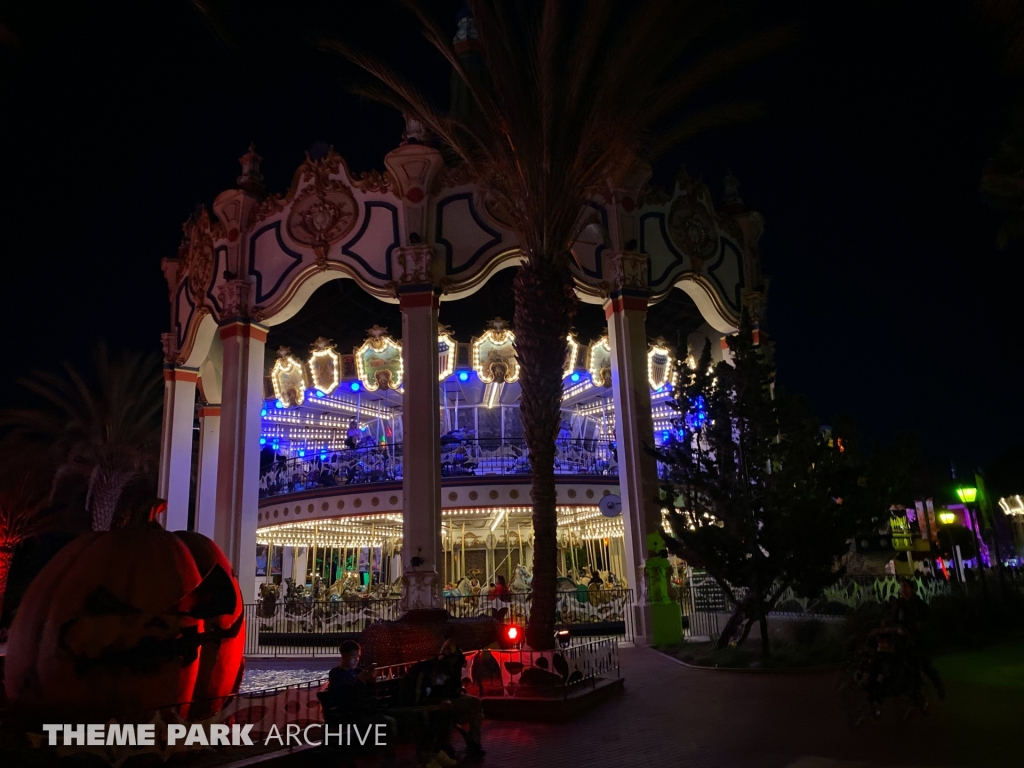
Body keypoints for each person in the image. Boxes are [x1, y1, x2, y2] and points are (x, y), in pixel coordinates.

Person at [321, 641, 397, 765]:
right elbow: (343, 695)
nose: (356, 660)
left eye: (358, 656)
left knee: (388, 721)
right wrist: (359, 681)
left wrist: (371, 682)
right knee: (377, 723)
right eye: (352, 656)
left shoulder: (358, 671)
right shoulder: (336, 673)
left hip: (362, 709)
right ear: (343, 656)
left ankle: (385, 759)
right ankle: (370, 758)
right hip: (348, 712)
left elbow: (368, 694)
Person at [891, 579, 945, 699]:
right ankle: (915, 691)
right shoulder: (899, 604)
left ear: (911, 589)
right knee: (910, 666)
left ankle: (938, 686)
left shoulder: (918, 603)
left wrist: (917, 625)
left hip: (918, 639)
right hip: (905, 640)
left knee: (925, 666)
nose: (903, 589)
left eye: (905, 587)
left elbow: (925, 617)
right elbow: (894, 619)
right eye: (902, 587)